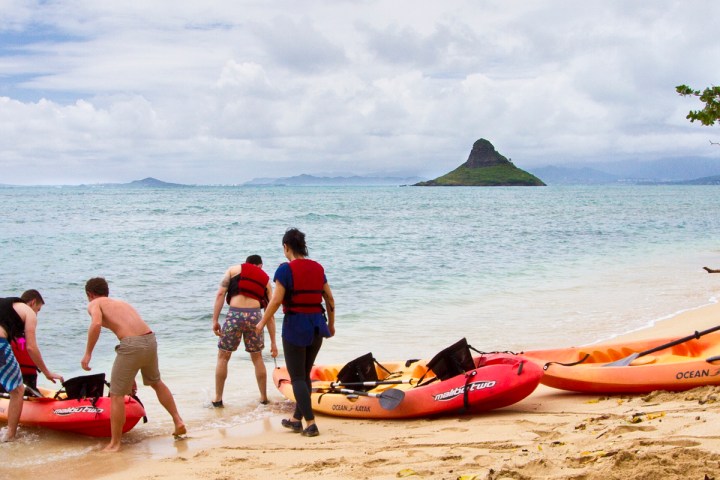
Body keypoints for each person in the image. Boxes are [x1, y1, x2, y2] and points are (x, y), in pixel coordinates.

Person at [81, 277, 186, 452]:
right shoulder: (121, 303)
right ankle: (178, 421)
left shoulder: (94, 303)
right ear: (106, 291)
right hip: (150, 339)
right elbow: (132, 332)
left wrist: (88, 353)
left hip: (131, 344)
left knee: (116, 394)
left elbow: (96, 323)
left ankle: (115, 444)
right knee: (156, 382)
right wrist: (131, 373)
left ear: (89, 294)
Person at [256, 228, 335, 437]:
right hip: (318, 325)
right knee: (304, 375)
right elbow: (330, 299)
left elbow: (276, 301)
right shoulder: (318, 268)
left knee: (297, 377)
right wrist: (332, 325)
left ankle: (311, 424)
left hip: (295, 326)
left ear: (286, 247)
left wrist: (262, 323)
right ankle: (296, 420)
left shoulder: (284, 271)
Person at [211, 254, 276, 407]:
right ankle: (263, 398)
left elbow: (220, 294)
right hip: (255, 317)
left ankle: (218, 399)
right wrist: (273, 343)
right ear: (259, 266)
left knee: (223, 357)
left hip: (234, 315)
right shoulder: (265, 280)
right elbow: (270, 313)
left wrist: (215, 320)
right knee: (257, 357)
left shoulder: (232, 271)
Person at [0, 291, 63, 442]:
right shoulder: (29, 312)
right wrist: (47, 373)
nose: (37, 314)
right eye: (38, 310)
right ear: (33, 302)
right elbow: (31, 348)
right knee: (18, 390)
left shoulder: (6, 305)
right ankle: (10, 437)